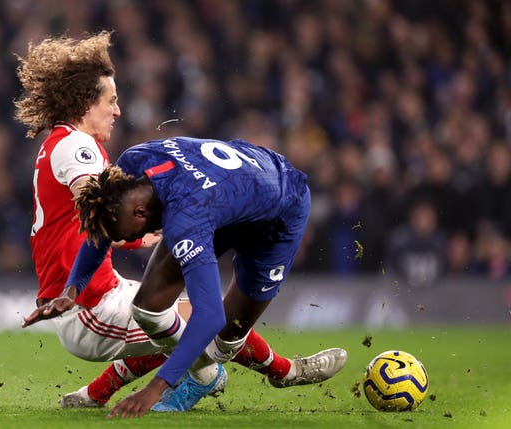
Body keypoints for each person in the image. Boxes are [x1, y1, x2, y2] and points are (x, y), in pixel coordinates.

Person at [17, 32, 346, 412]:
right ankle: (242, 374)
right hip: (92, 305)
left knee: (176, 319)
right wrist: (124, 246)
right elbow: (101, 211)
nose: (118, 110)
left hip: (90, 290)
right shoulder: (79, 149)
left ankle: (97, 394)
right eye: (112, 101)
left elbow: (105, 216)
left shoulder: (69, 145)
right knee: (192, 325)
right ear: (85, 103)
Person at [30, 136, 347, 417]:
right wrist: (73, 288)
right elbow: (102, 233)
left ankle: (280, 374)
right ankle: (195, 377)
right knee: (147, 307)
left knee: (224, 344)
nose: (132, 240)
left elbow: (209, 316)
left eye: (128, 235)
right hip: (222, 194)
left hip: (279, 208)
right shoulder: (130, 167)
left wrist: (156, 386)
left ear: (140, 214)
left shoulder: (185, 221)